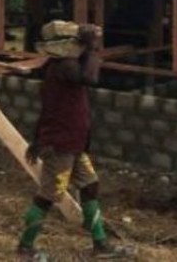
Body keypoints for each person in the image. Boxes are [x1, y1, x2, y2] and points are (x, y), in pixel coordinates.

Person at [17, 23, 133, 260]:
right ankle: (25, 248)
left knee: (90, 185)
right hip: (61, 145)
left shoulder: (59, 66)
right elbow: (91, 78)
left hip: (73, 143)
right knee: (49, 195)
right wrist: (93, 48)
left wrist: (37, 139)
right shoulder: (64, 66)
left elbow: (48, 108)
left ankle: (100, 244)